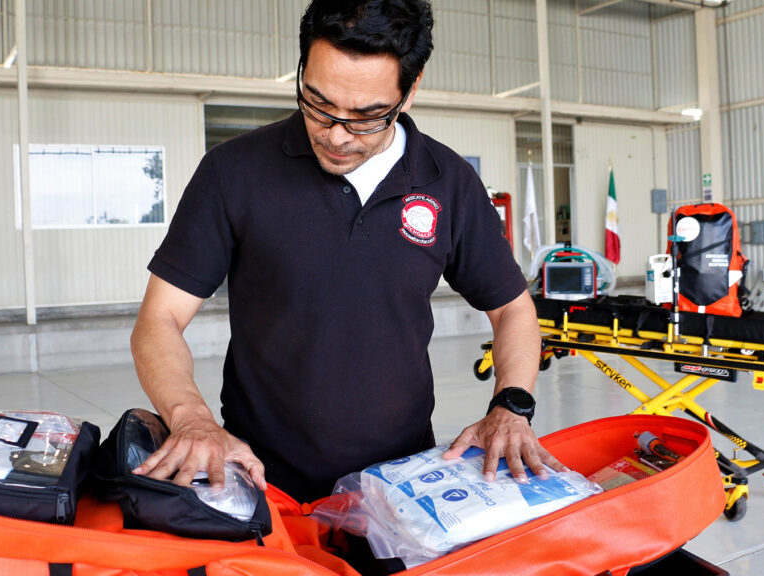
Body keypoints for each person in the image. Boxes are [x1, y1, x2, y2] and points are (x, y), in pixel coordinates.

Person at [130, 0, 566, 504]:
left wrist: (511, 407)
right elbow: (160, 317)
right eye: (318, 103)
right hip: (261, 482)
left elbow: (512, 309)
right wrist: (191, 419)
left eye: (367, 117)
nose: (336, 135)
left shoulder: (450, 183)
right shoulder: (234, 172)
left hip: (402, 487)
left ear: (410, 90)